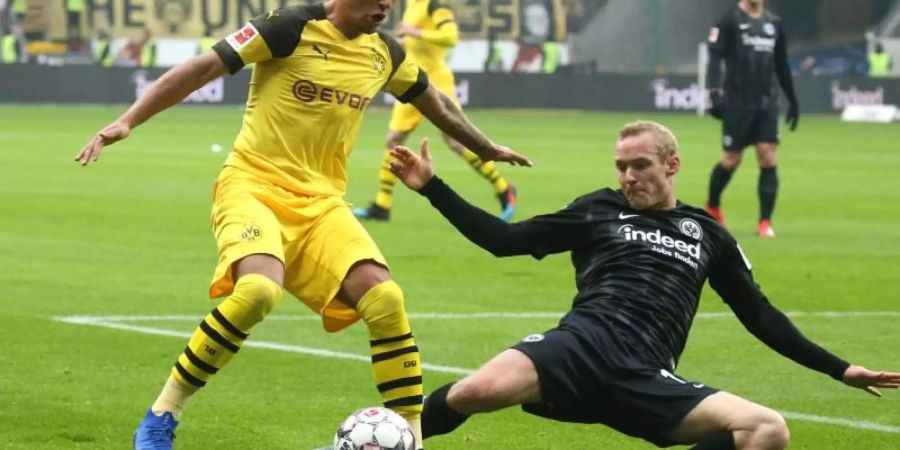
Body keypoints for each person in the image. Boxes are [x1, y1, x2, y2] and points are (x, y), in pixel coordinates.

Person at [74, 1, 531, 449]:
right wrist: (128, 121)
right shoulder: (289, 27)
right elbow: (200, 70)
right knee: (257, 292)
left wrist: (484, 146)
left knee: (386, 299)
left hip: (322, 203)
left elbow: (436, 102)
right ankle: (162, 415)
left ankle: (412, 438)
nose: (387, 7)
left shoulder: (385, 53)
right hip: (253, 187)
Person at [387, 120, 900, 449]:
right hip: (579, 346)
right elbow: (502, 239)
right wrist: (432, 186)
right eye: (621, 167)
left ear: (671, 166)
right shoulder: (597, 209)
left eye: (640, 165)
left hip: (646, 373)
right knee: (477, 390)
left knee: (767, 430)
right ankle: (378, 444)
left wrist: (842, 369)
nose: (629, 177)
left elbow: (760, 315)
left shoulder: (709, 235)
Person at [353, 0, 518, 222]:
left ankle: (503, 188)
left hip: (436, 83)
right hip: (412, 80)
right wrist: (405, 40)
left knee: (457, 142)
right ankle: (382, 205)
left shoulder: (435, 5)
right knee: (394, 139)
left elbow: (450, 37)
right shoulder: (412, 5)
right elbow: (418, 43)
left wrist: (416, 31)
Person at [705, 0, 799, 238]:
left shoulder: (773, 23)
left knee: (767, 154)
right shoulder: (729, 20)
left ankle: (765, 222)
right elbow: (715, 58)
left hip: (767, 103)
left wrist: (793, 100)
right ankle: (713, 206)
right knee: (731, 159)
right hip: (738, 102)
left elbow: (781, 63)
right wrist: (714, 93)